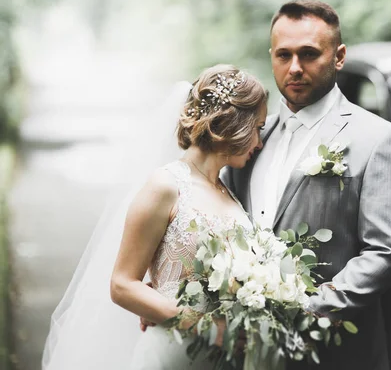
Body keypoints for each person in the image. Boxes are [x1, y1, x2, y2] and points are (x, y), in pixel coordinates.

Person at [223, 0, 391, 370]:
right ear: (272, 57)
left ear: (338, 56)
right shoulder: (248, 138)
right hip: (245, 350)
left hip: (335, 352)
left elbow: (388, 251)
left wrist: (306, 310)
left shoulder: (380, 139)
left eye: (309, 54)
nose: (295, 68)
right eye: (284, 55)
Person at [41, 64, 268, 370]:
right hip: (172, 355)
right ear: (235, 124)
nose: (259, 142)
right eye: (258, 128)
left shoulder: (227, 191)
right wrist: (206, 326)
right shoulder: (166, 185)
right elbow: (122, 285)